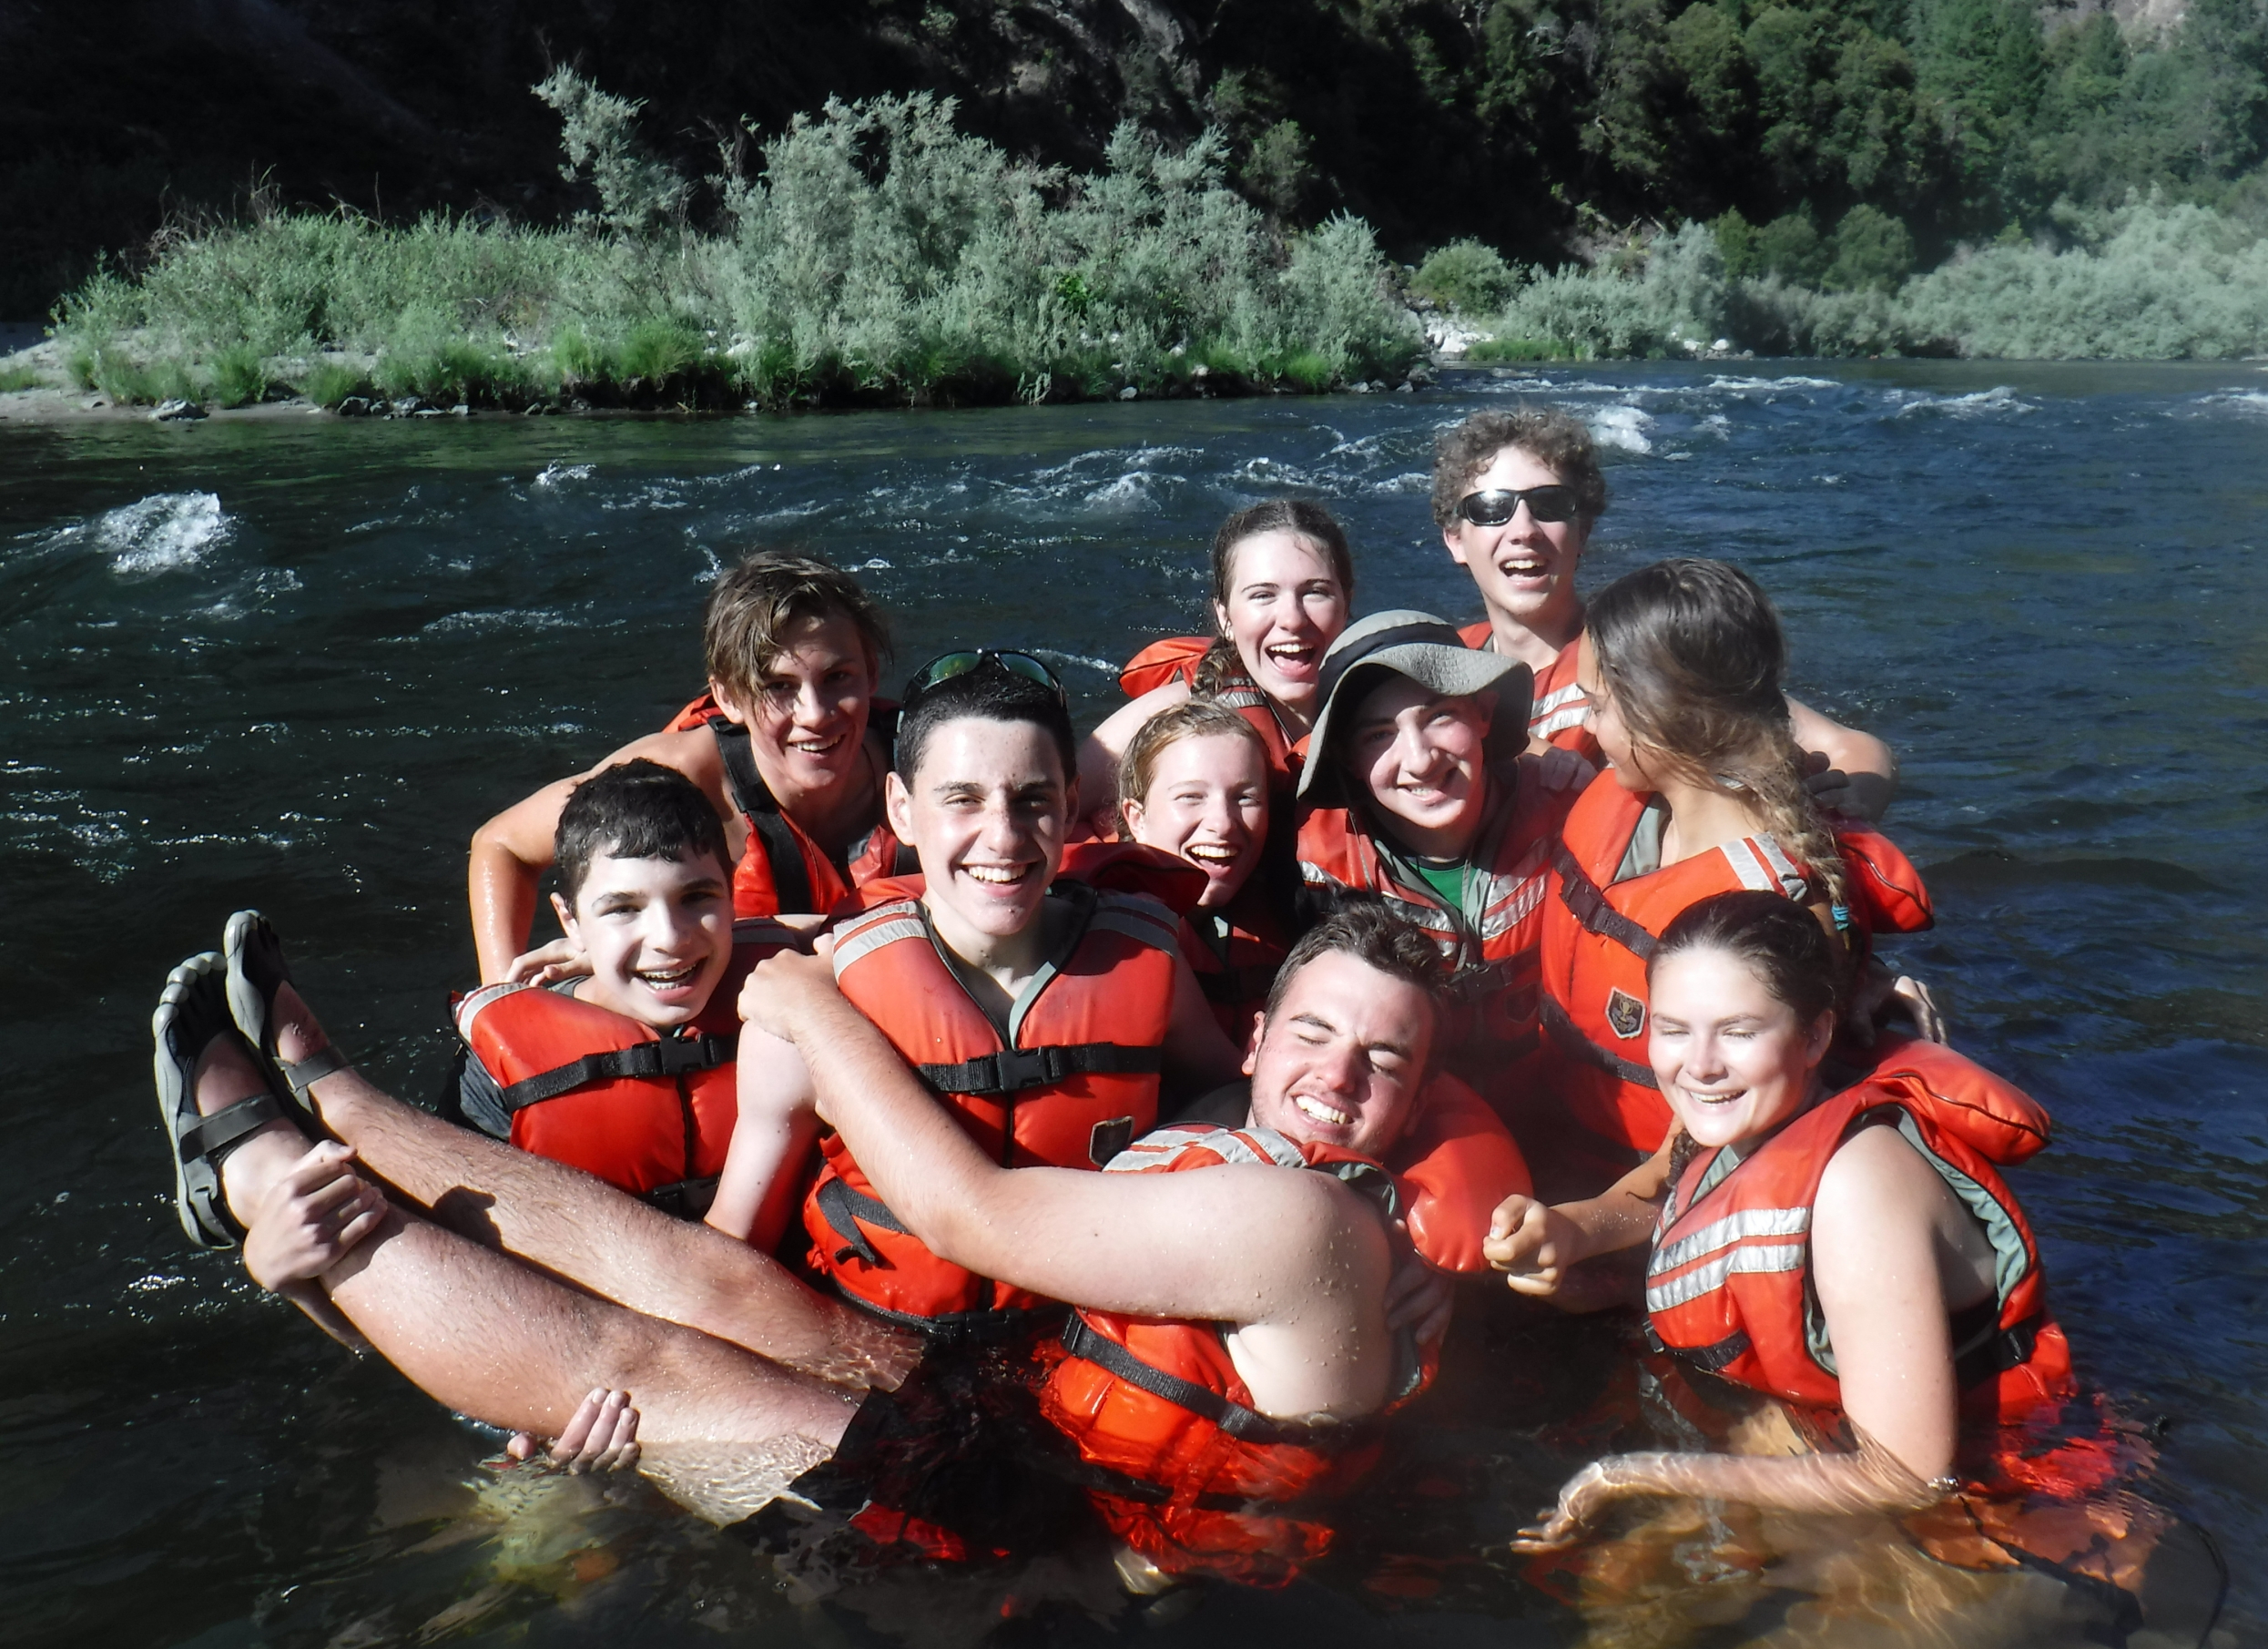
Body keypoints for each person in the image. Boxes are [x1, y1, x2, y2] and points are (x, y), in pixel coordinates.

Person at [152, 901, 1494, 1583]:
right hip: (1026, 1427)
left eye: (1386, 1059)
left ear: (1421, 1091)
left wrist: (796, 992)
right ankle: (339, 1096)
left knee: (660, 1364)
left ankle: (268, 1175)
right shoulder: (1246, 1133)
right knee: (714, 1276)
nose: (1337, 1077)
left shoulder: (1303, 1218)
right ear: (1256, 1038)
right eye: (1314, 1034)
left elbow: (967, 1215)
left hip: (1071, 1562)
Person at [1484, 891, 2153, 1608]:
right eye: (1674, 1029)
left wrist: (1630, 1474)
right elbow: (1657, 1196)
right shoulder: (1729, 1115)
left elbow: (1906, 1475)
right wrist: (1569, 1232)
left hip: (2019, 1497)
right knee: (1615, 1603)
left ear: (1813, 1037)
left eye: (1737, 1031)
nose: (1698, 1064)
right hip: (1826, 1432)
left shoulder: (1858, 1192)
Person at [707, 651, 1251, 1322]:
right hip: (883, 1350)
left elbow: (1228, 1095)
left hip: (1088, 1339)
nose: (1003, 836)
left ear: (1072, 803)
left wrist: (1173, 1179)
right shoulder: (815, 1005)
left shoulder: (1148, 959)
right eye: (962, 799)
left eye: (1033, 801)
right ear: (902, 811)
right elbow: (732, 1252)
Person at [1531, 558, 1937, 1201]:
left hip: (1653, 1198)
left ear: (1666, 716)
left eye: (1598, 707)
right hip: (1560, 1124)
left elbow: (1697, 1162)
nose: (1585, 727)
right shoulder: (1638, 798)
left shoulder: (1763, 910)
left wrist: (1584, 1229)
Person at [1434, 407, 1897, 819]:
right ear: (1455, 539)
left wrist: (1850, 799)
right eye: (1491, 509)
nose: (1523, 530)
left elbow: (1852, 747)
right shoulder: (1444, 661)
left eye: (1549, 505)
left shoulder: (1644, 648)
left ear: (1584, 529)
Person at [466, 553, 901, 985]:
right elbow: (503, 844)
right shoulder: (677, 778)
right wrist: (500, 1001)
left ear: (871, 674)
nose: (815, 714)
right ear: (729, 697)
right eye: (778, 686)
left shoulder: (929, 764)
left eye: (838, 677)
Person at [442, 760, 804, 1220]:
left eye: (696, 898)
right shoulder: (493, 1068)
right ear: (570, 921)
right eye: (623, 909)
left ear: (733, 893)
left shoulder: (788, 982)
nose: (669, 939)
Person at [1293, 610, 1592, 1095]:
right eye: (1378, 735)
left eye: (1440, 716)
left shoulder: (1570, 809)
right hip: (1416, 1118)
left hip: (1564, 1102)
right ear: (1347, 759)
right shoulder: (1309, 864)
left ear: (1484, 713)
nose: (1419, 759)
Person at [1082, 500, 1356, 809]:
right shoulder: (1180, 710)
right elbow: (1054, 806)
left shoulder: (1395, 711)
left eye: (1315, 591)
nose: (1292, 619)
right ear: (1225, 618)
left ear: (1346, 603)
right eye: (1263, 595)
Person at [1112, 699, 1288, 1044]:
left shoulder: (1293, 906)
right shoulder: (1104, 929)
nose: (1222, 824)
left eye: (1246, 798)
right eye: (1191, 797)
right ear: (1137, 819)